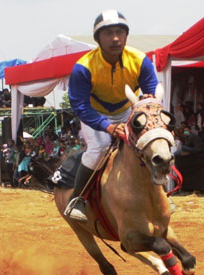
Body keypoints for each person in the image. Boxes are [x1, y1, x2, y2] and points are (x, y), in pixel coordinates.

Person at [65, 9, 158, 222]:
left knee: (153, 143)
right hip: (95, 113)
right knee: (100, 148)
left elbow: (151, 91)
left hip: (127, 110)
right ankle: (77, 198)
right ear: (98, 38)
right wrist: (107, 126)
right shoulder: (83, 67)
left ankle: (160, 191)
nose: (115, 38)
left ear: (126, 35)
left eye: (119, 32)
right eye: (108, 33)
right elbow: (79, 105)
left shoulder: (140, 60)